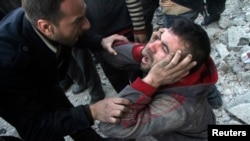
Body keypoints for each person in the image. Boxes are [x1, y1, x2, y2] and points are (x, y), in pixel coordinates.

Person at [0, 0, 194, 140]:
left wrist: (99, 41)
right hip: (25, 101)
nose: (88, 25)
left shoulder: (47, 22)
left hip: (45, 82)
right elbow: (34, 127)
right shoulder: (7, 65)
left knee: (65, 111)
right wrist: (90, 112)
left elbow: (76, 34)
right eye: (78, 21)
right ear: (46, 27)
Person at [99, 19, 217, 140]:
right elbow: (108, 53)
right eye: (159, 38)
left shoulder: (177, 108)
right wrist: (143, 53)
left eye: (164, 48)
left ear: (181, 69)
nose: (150, 45)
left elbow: (109, 127)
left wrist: (151, 81)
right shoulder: (196, 68)